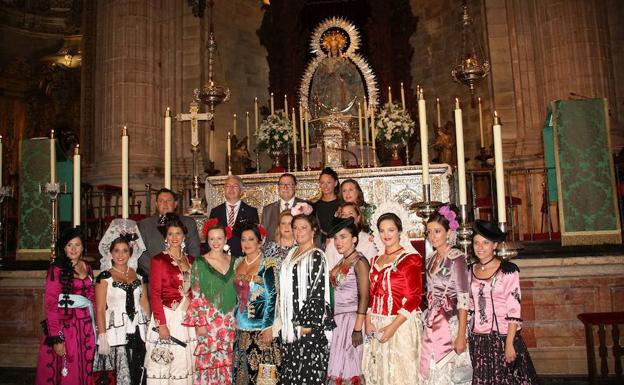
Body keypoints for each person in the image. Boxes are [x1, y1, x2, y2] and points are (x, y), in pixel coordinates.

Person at [469, 220, 538, 385]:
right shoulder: (469, 270)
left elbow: (514, 309)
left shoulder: (507, 270)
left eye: (485, 243)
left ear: (495, 245)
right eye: (476, 242)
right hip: (479, 339)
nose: (480, 247)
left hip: (503, 337)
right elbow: (470, 306)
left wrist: (509, 343)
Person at [363, 212, 423, 385]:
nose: (386, 235)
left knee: (400, 375)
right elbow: (371, 295)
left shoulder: (410, 259)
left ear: (399, 231)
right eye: (382, 231)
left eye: (391, 230)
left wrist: (392, 327)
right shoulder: (375, 260)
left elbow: (414, 298)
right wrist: (368, 320)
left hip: (401, 324)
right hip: (376, 322)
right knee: (379, 374)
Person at [279, 202, 335, 385]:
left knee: (307, 375)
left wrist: (308, 324)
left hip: (306, 327)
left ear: (313, 231)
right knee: (292, 374)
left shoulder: (316, 255)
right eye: (295, 228)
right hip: (290, 326)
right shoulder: (291, 254)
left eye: (303, 228)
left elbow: (317, 291)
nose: (298, 231)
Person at [35, 227, 96, 385]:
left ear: (83, 247)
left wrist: (98, 324)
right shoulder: (56, 269)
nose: (74, 249)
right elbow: (50, 304)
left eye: (77, 245)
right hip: (66, 327)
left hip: (86, 326)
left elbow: (92, 297)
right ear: (64, 248)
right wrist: (57, 338)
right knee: (69, 367)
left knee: (86, 364)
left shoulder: (87, 267)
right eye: (70, 245)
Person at [419, 206, 472, 385]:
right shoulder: (431, 259)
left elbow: (464, 299)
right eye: (429, 232)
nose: (432, 236)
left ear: (449, 233)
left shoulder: (457, 259)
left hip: (451, 323)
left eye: (437, 231)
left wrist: (461, 335)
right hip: (433, 320)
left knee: (450, 374)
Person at [183, 219, 237, 385]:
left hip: (230, 321)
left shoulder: (235, 261)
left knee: (228, 361)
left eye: (219, 238)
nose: (215, 242)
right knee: (209, 362)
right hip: (209, 322)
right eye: (212, 238)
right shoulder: (200, 263)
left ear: (225, 239)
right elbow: (196, 296)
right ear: (207, 240)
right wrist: (200, 324)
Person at [93, 231, 150, 385]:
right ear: (110, 253)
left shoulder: (139, 275)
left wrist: (151, 327)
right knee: (119, 372)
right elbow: (99, 309)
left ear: (130, 253)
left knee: (138, 370)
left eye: (125, 250)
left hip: (138, 328)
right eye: (116, 250)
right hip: (115, 330)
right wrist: (103, 336)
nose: (120, 255)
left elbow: (144, 302)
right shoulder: (104, 277)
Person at [145, 217, 196, 384]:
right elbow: (155, 293)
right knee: (164, 363)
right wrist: (161, 324)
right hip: (168, 316)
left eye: (178, 233)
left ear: (184, 237)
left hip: (187, 317)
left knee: (183, 362)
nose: (175, 237)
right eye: (171, 234)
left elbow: (195, 290)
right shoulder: (159, 260)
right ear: (165, 237)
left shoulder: (192, 261)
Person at [233, 222, 280, 385]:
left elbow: (272, 296)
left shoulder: (267, 264)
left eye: (251, 239)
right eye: (243, 240)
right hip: (240, 328)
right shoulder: (237, 263)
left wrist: (268, 327)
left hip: (260, 329)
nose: (246, 243)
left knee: (263, 377)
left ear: (260, 242)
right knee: (242, 375)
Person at [326, 218, 370, 385]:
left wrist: (358, 328)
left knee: (350, 367)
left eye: (343, 237)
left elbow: (364, 296)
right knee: (338, 368)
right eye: (336, 238)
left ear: (354, 239)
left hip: (352, 320)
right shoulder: (342, 261)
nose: (338, 242)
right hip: (338, 320)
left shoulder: (360, 261)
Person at [138, 188, 201, 276]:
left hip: (183, 275)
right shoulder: (145, 225)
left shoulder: (188, 223)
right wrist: (159, 272)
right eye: (161, 201)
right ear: (156, 204)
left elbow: (194, 251)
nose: (165, 204)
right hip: (154, 276)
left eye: (169, 200)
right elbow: (141, 254)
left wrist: (185, 272)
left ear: (175, 204)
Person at [209, 175, 259, 258]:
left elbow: (254, 238)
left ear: (241, 190)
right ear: (224, 190)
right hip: (219, 257)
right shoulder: (215, 212)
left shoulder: (251, 211)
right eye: (228, 186)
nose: (231, 189)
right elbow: (210, 237)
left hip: (243, 257)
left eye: (235, 186)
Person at [324, 202, 377, 269]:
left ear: (358, 218)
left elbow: (372, 268)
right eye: (343, 214)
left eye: (350, 214)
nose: (346, 217)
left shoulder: (368, 240)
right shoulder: (332, 241)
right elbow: (327, 268)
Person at [261, 173, 304, 242]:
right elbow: (263, 235)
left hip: (299, 250)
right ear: (278, 188)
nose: (285, 187)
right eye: (282, 184)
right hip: (274, 250)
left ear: (295, 187)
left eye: (289, 184)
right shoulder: (268, 210)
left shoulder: (304, 206)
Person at [314, 167, 340, 246]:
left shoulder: (342, 204)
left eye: (329, 182)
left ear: (335, 183)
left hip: (339, 242)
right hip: (321, 243)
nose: (325, 186)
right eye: (322, 182)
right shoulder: (315, 206)